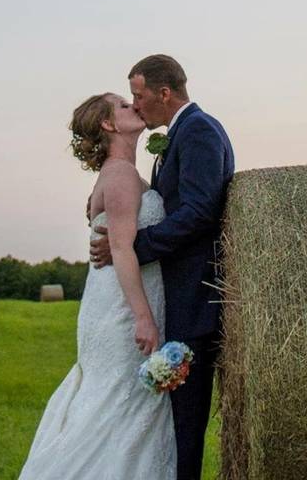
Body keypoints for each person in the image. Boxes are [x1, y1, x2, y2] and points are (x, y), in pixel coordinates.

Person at [90, 54, 235, 480]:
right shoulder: (182, 134)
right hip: (176, 297)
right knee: (172, 426)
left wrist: (135, 246)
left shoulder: (200, 132)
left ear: (164, 93)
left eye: (139, 96)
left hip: (193, 300)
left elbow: (199, 212)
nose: (136, 106)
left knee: (185, 429)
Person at [19, 92, 176, 480]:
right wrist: (143, 318)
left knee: (118, 403)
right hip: (123, 313)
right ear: (108, 125)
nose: (134, 107)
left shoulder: (120, 173)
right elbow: (121, 249)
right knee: (119, 405)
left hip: (112, 303)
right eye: (124, 106)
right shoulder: (120, 174)